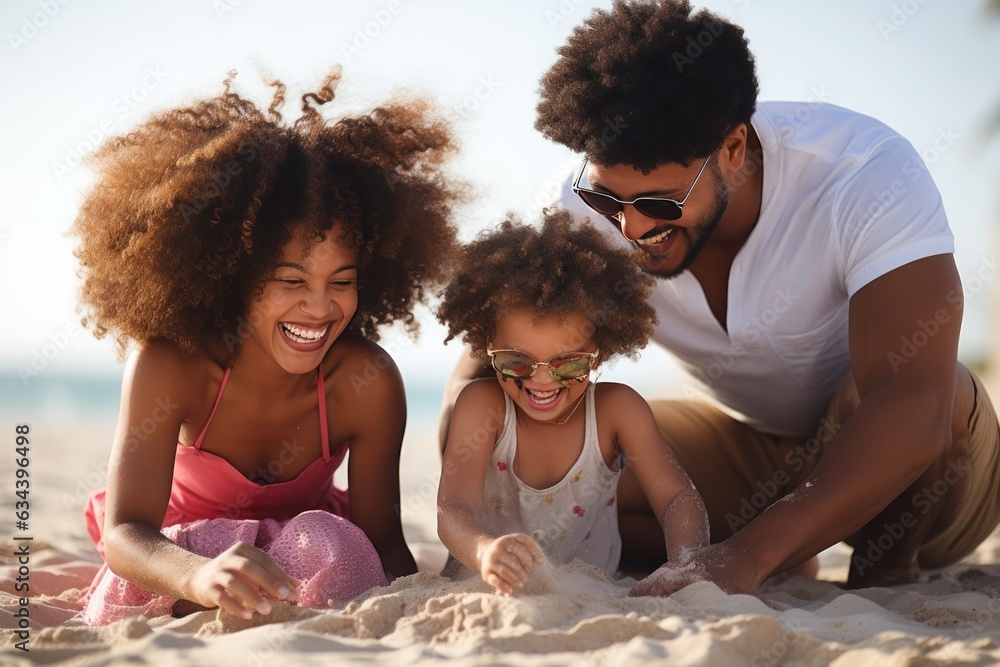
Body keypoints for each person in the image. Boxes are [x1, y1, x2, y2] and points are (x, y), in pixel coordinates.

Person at [443, 0, 1000, 595]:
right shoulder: (580, 213)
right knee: (569, 452)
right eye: (611, 202)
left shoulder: (863, 173)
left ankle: (883, 571)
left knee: (894, 392)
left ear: (733, 149)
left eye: (658, 203)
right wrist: (467, 515)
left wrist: (745, 559)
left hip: (927, 478)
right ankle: (792, 553)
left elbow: (913, 406)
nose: (629, 229)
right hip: (745, 452)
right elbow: (481, 375)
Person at [71, 69, 464, 624]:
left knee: (332, 540)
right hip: (179, 554)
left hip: (309, 555)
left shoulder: (367, 381)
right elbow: (125, 537)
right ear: (231, 276)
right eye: (291, 280)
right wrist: (197, 577)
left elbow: (383, 545)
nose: (321, 307)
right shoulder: (169, 364)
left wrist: (422, 612)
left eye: (343, 281)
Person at [435, 210, 711, 595]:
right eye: (517, 361)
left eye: (569, 363)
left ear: (600, 349)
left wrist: (686, 562)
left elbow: (677, 496)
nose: (542, 379)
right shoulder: (482, 406)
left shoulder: (617, 409)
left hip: (594, 587)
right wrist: (484, 552)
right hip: (484, 586)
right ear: (488, 347)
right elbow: (453, 507)